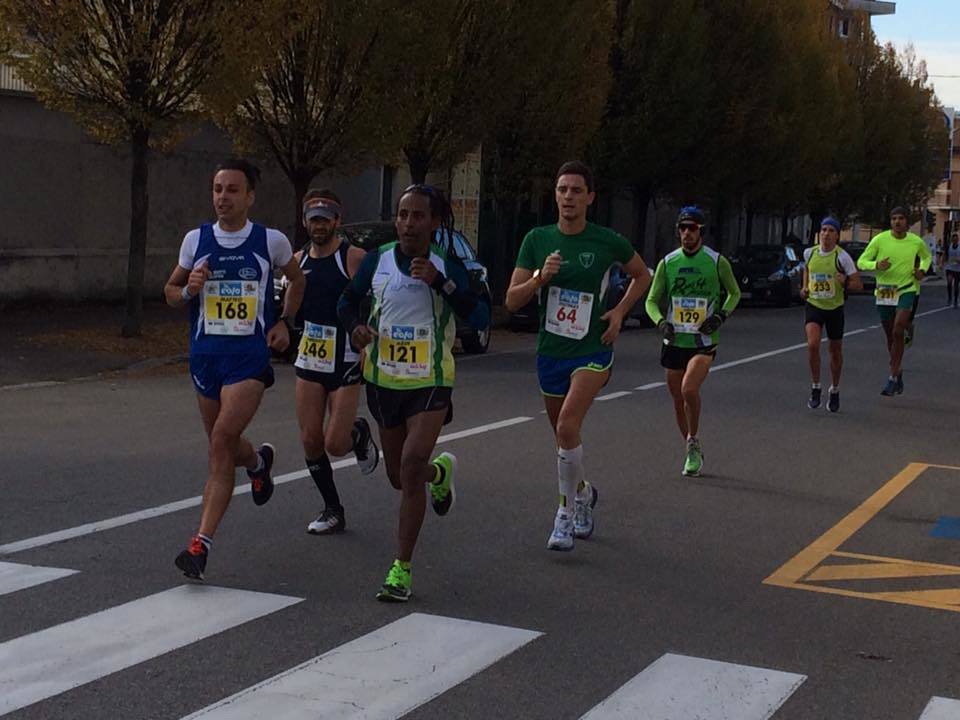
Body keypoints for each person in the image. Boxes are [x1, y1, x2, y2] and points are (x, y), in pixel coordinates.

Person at [337, 184, 489, 601]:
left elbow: (480, 313)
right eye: (403, 215)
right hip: (384, 380)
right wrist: (356, 328)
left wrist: (442, 283)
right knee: (399, 477)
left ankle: (401, 569)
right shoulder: (377, 261)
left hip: (431, 381)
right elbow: (346, 302)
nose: (408, 223)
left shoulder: (447, 264)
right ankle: (438, 475)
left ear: (434, 222)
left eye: (418, 216)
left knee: (410, 461)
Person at [163, 158, 305, 579]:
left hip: (248, 358)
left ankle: (200, 545)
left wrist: (283, 321)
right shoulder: (196, 240)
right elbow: (170, 292)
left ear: (250, 196)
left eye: (232, 190)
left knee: (222, 439)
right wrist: (187, 289)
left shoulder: (270, 241)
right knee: (224, 444)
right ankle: (258, 463)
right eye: (217, 189)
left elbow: (297, 280)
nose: (222, 197)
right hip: (206, 356)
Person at [505, 161, 650, 552]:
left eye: (575, 190)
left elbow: (643, 275)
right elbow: (511, 299)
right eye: (562, 189)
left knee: (569, 424)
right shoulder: (537, 239)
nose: (568, 197)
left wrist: (619, 312)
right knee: (562, 437)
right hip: (551, 350)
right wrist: (540, 278)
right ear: (554, 195)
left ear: (590, 197)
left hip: (592, 349)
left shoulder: (606, 241)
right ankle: (584, 492)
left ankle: (564, 515)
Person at [293, 189, 379, 536]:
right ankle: (332, 509)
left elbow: (377, 297)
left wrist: (367, 336)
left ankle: (357, 433)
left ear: (337, 221)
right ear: (305, 222)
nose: (319, 226)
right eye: (313, 220)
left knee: (334, 443)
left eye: (325, 220)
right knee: (310, 440)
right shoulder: (298, 260)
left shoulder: (353, 257)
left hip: (345, 355)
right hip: (310, 356)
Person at [644, 206, 740, 476]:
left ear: (701, 231)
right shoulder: (668, 263)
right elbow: (651, 300)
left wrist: (720, 316)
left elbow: (734, 293)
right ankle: (691, 446)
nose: (687, 233)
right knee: (677, 398)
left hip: (703, 339)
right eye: (683, 228)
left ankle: (694, 440)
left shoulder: (716, 261)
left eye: (692, 228)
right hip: (675, 340)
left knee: (688, 389)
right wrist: (660, 322)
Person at [856, 206, 931, 396]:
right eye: (894, 219)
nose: (897, 222)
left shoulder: (915, 241)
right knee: (891, 336)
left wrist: (921, 270)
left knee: (898, 329)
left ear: (907, 222)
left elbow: (926, 256)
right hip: (885, 291)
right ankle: (898, 373)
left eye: (901, 218)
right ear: (890, 222)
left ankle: (891, 377)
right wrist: (876, 265)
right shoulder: (880, 240)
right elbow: (861, 261)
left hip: (907, 289)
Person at [800, 217, 862, 412]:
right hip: (814, 305)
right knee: (812, 344)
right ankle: (816, 387)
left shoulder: (842, 258)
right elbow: (807, 269)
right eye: (824, 230)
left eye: (831, 231)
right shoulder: (809, 253)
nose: (826, 234)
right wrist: (804, 287)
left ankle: (834, 389)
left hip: (835, 309)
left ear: (837, 235)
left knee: (835, 351)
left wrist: (844, 281)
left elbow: (858, 285)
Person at [945, 233, 960, 309]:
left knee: (956, 286)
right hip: (950, 268)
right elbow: (945, 255)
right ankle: (950, 298)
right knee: (949, 283)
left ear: (958, 240)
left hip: (958, 270)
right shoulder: (949, 246)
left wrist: (958, 260)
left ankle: (955, 301)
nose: (955, 241)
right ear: (952, 240)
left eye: (956, 240)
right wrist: (941, 263)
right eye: (953, 240)